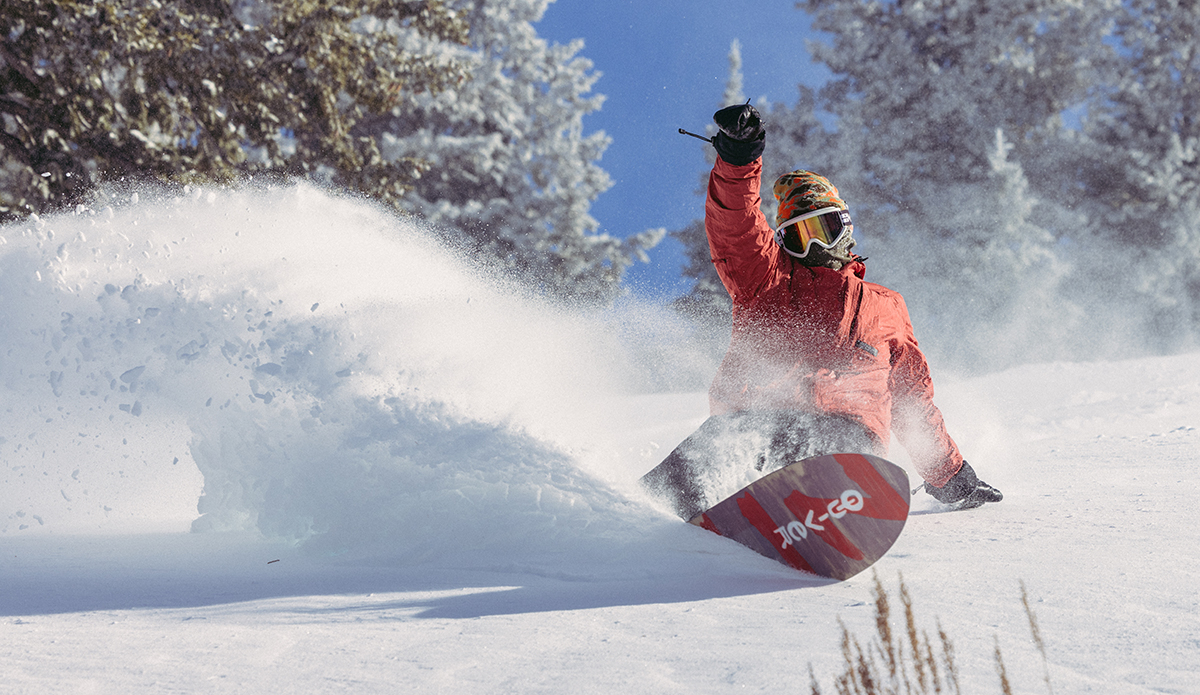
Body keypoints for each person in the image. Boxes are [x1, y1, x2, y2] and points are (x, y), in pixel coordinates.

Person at [640, 103, 1001, 519]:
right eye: (799, 237)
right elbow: (736, 227)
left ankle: (821, 503)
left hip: (846, 441)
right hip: (756, 424)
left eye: (823, 230)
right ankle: (635, 520)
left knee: (822, 438)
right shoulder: (768, 280)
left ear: (845, 228)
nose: (814, 247)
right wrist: (739, 160)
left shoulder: (885, 307)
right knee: (727, 439)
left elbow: (910, 399)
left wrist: (949, 475)